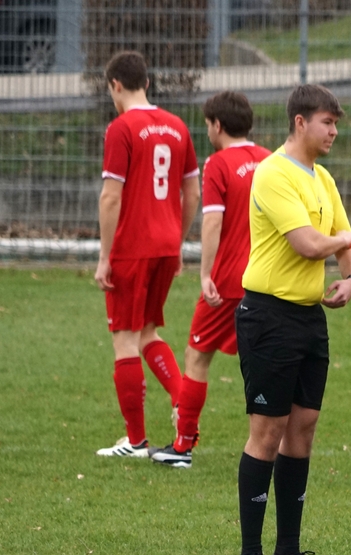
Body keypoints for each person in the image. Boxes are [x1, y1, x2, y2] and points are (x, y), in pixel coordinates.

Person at [233, 84, 351, 555]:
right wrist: (343, 241)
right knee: (267, 432)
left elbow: (347, 247)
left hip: (309, 317)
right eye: (327, 122)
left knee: (302, 428)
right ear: (300, 122)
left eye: (336, 124)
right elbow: (308, 244)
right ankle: (250, 554)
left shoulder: (322, 177)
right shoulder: (272, 173)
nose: (334, 132)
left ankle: (288, 551)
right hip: (268, 316)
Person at [149, 92, 271, 468]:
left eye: (207, 125)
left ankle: (183, 446)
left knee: (197, 356)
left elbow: (213, 221)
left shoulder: (218, 163)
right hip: (267, 279)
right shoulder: (270, 159)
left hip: (228, 282)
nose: (207, 132)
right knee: (264, 363)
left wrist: (205, 273)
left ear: (217, 125)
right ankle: (276, 445)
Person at [94, 50, 200, 458]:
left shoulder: (121, 128)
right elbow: (192, 192)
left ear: (115, 85)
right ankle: (182, 402)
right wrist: (177, 239)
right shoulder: (177, 126)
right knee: (147, 333)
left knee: (125, 339)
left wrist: (105, 256)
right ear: (148, 83)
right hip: (166, 245)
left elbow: (111, 197)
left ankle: (136, 441)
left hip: (132, 247)